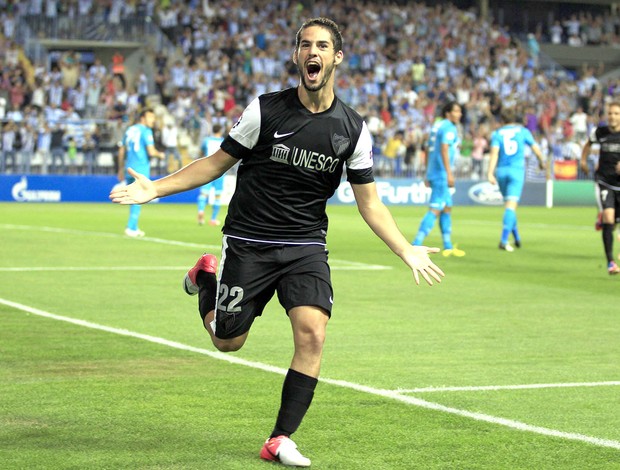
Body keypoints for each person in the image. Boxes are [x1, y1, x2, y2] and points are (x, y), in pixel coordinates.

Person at [110, 17, 444, 467]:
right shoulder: (264, 111)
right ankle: (206, 276)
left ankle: (279, 438)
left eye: (323, 46)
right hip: (249, 241)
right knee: (228, 341)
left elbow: (370, 203)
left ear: (336, 58)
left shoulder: (353, 129)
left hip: (305, 246)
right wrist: (156, 187)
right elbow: (215, 164)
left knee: (314, 333)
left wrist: (405, 248)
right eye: (306, 44)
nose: (314, 52)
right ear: (296, 56)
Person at [412, 101, 466, 257]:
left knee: (447, 207)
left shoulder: (436, 126)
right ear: (448, 113)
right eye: (456, 111)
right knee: (435, 208)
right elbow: (444, 149)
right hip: (442, 173)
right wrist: (449, 173)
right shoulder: (449, 127)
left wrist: (428, 172)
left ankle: (448, 246)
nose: (459, 114)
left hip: (434, 172)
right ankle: (416, 243)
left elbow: (428, 149)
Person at [487, 108, 546, 252]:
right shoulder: (522, 131)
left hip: (501, 171)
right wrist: (541, 161)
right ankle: (503, 240)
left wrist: (490, 173)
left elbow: (494, 153)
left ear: (502, 120)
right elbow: (535, 147)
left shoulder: (497, 133)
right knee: (510, 207)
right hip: (516, 171)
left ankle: (517, 237)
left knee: (509, 205)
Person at [580, 101, 620, 274]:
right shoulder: (600, 132)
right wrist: (583, 160)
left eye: (616, 114)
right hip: (605, 181)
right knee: (608, 218)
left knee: (615, 222)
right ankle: (611, 262)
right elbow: (588, 144)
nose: (612, 116)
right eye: (610, 113)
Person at [116, 108, 165, 238]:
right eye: (150, 117)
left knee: (133, 198)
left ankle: (134, 226)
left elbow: (122, 150)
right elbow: (151, 151)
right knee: (138, 199)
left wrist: (120, 168)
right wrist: (160, 155)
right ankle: (131, 227)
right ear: (142, 118)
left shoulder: (130, 129)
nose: (153, 120)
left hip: (129, 168)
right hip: (141, 170)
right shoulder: (146, 131)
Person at [197, 123, 226, 226]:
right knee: (217, 195)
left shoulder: (207, 140)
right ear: (220, 131)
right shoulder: (224, 141)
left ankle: (201, 212)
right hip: (220, 170)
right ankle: (213, 219)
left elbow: (200, 153)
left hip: (207, 169)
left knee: (204, 193)